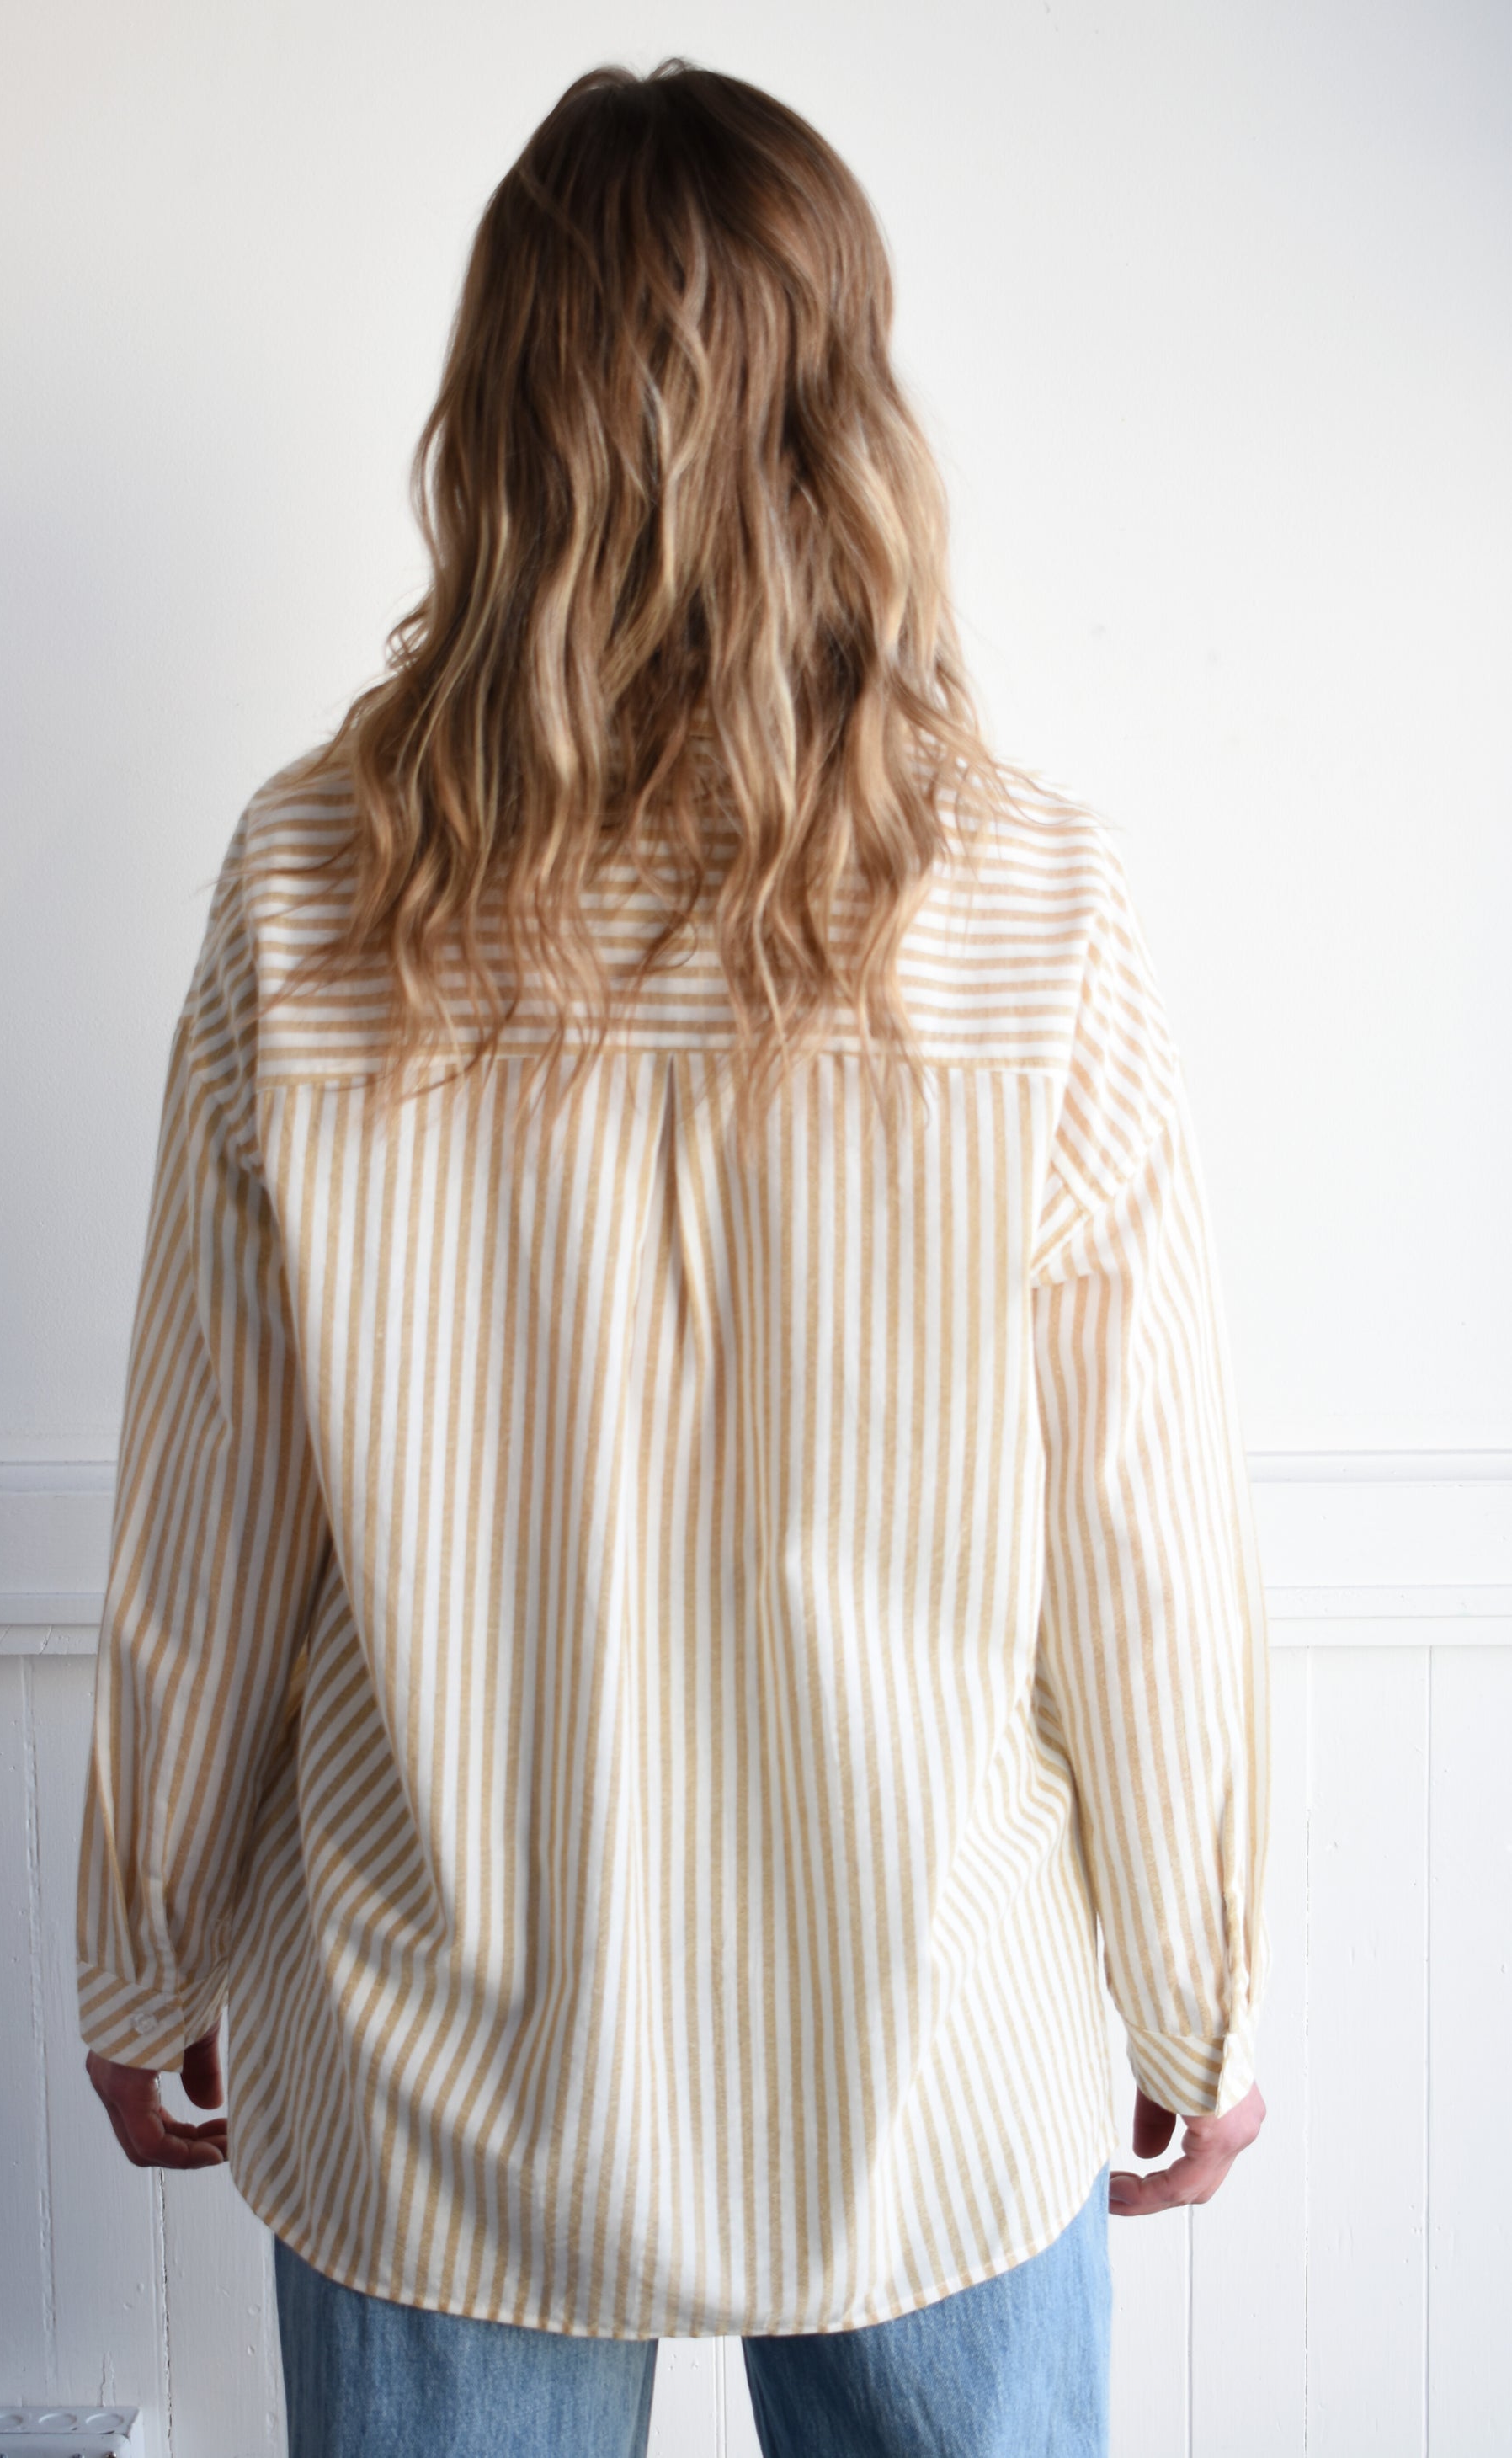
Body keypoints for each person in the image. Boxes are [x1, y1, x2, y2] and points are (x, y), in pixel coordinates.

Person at [77, 58, 1270, 2458]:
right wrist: (1202, 1995)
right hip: (926, 2053)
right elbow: (1141, 1538)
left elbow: (207, 1519)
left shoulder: (310, 890)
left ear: (494, 418)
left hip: (441, 2073)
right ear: (849, 419)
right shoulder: (1031, 901)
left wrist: (141, 1949)